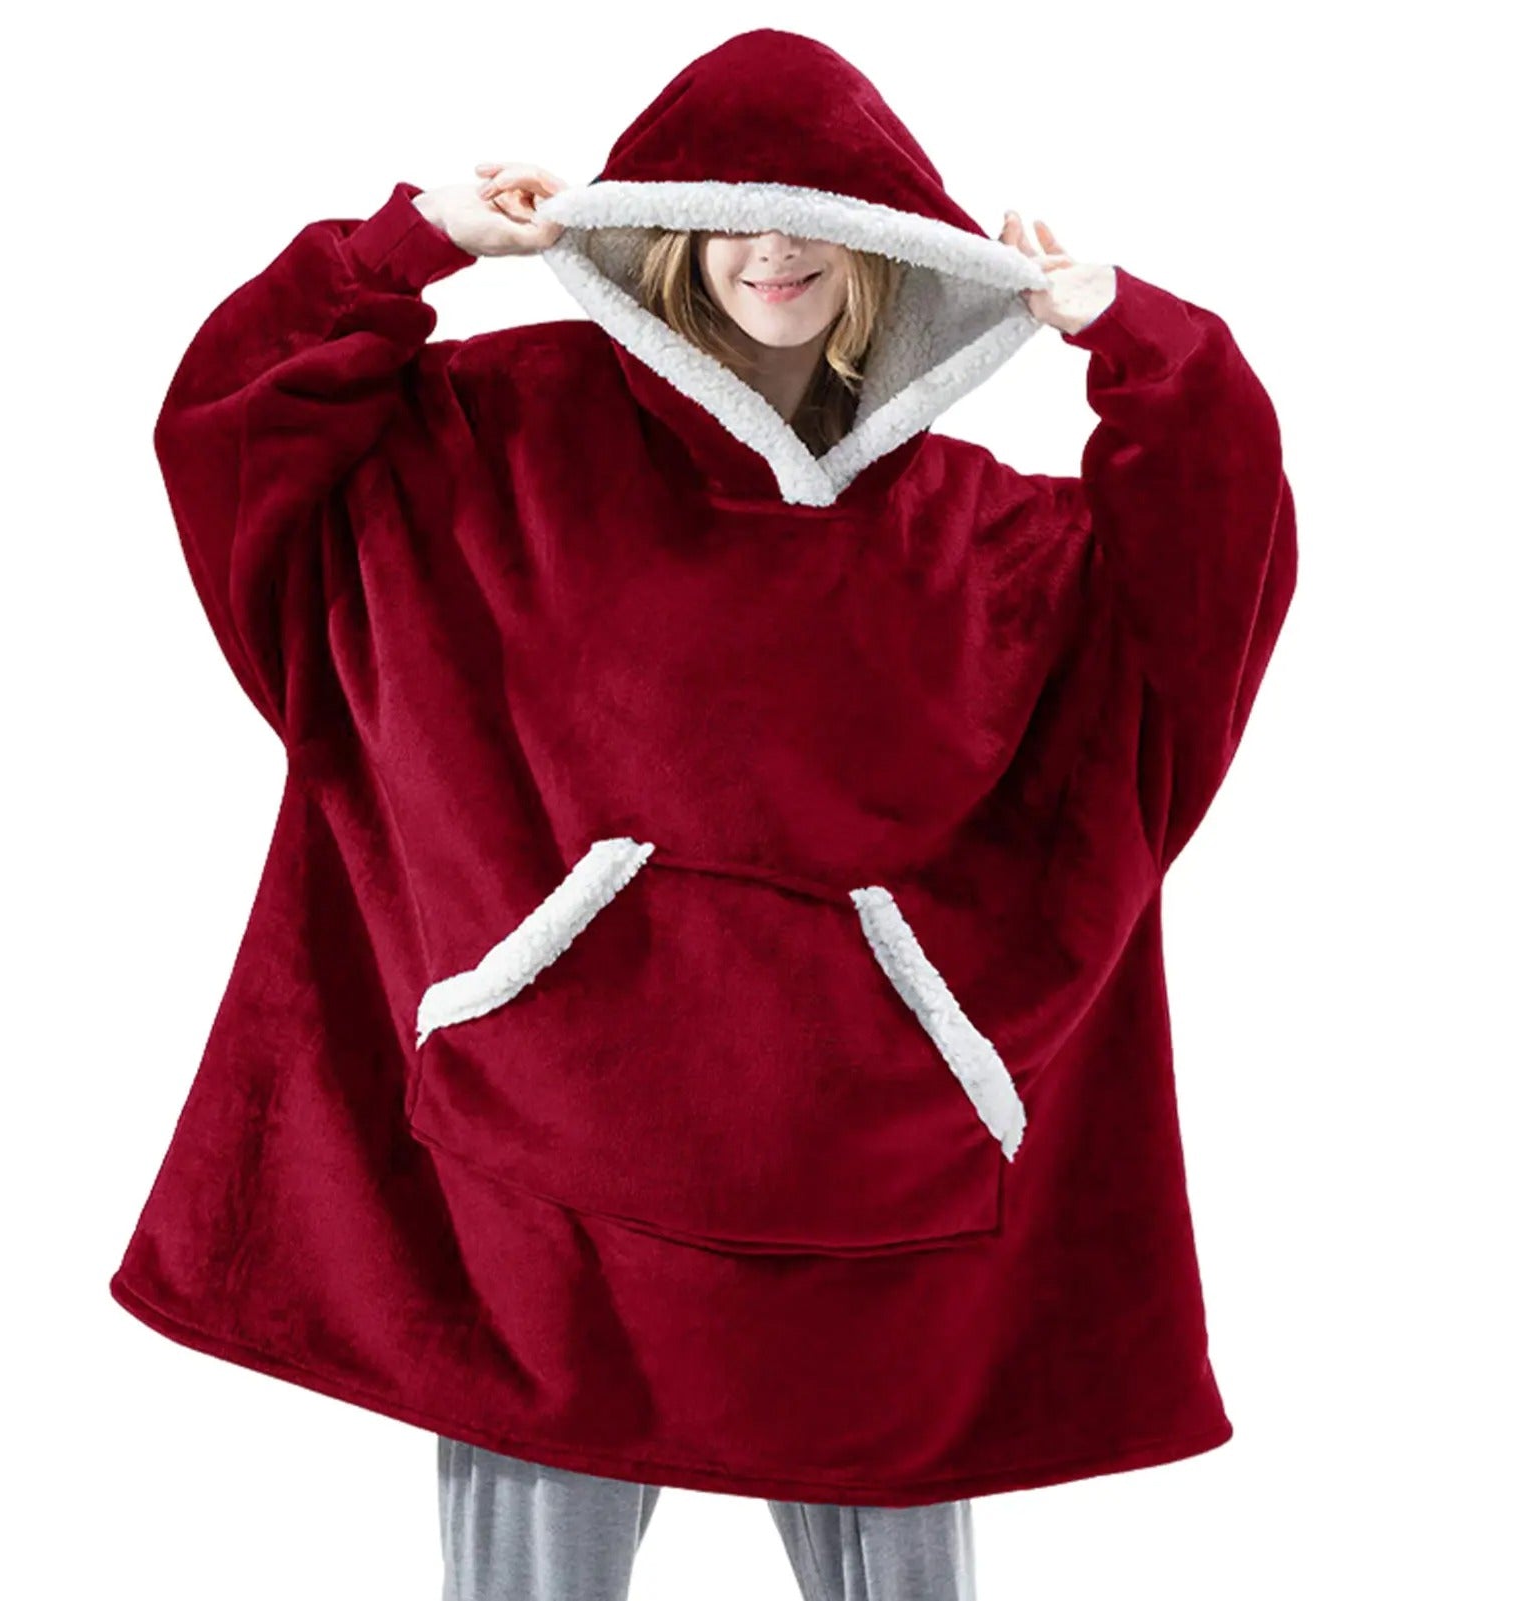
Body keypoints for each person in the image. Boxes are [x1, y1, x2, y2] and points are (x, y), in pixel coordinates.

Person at [110, 27, 1297, 1601]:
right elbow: (239, 433)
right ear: (667, 231)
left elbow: (1200, 597)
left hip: (871, 1190)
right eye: (735, 213)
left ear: (889, 254)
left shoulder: (983, 542)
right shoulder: (494, 440)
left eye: (821, 221)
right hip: (545, 1172)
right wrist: (406, 248)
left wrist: (1144, 345)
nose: (774, 251)